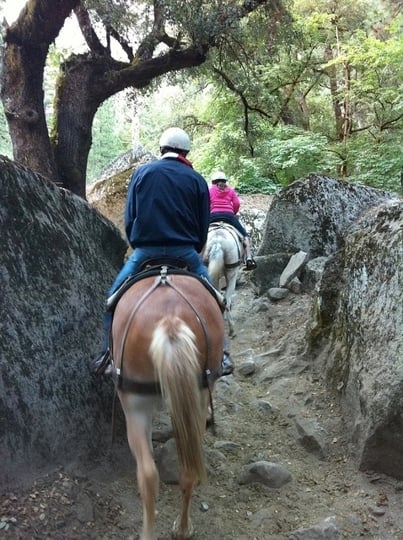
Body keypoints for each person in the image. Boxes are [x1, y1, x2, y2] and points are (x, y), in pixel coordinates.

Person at [91, 127, 233, 377]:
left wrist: (137, 244)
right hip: (185, 252)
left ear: (162, 150)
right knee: (216, 300)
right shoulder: (197, 179)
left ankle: (107, 354)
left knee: (112, 300)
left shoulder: (141, 173)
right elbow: (203, 224)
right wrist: (196, 248)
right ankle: (222, 354)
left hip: (145, 251)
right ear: (186, 152)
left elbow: (130, 217)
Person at [209, 171, 257, 270]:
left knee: (199, 233)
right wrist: (233, 213)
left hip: (213, 215)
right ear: (225, 181)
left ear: (214, 182)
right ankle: (249, 258)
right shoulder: (230, 190)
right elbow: (237, 203)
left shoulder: (210, 190)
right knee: (245, 235)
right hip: (229, 216)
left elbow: (205, 203)